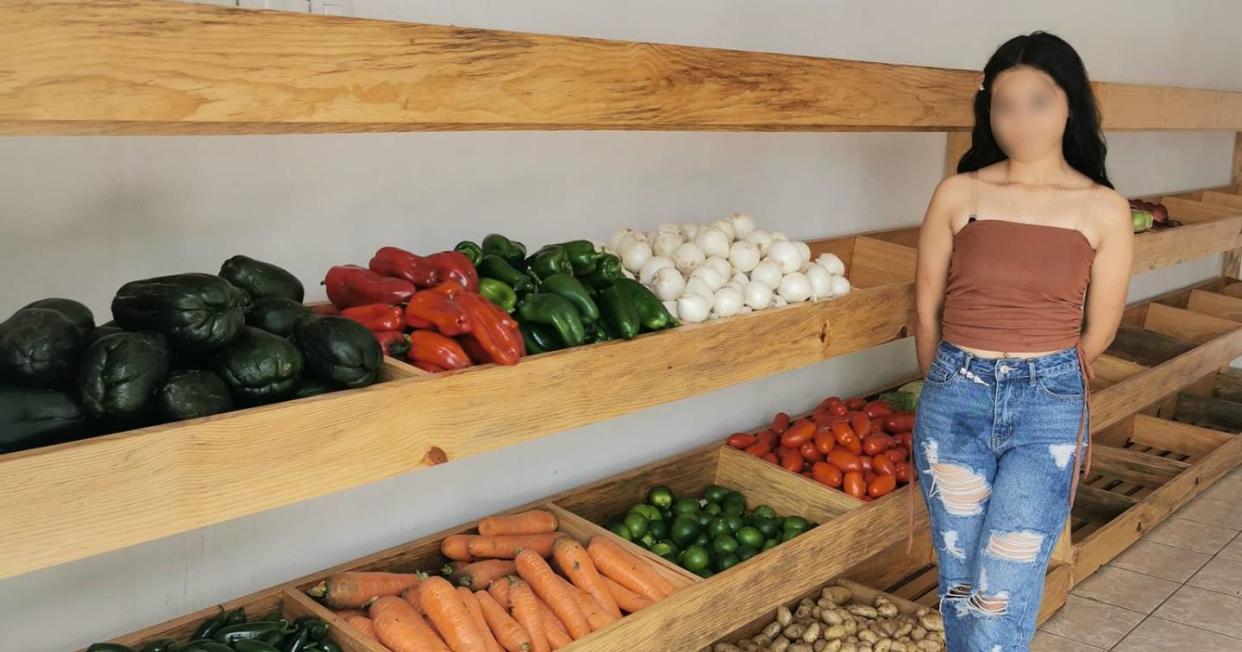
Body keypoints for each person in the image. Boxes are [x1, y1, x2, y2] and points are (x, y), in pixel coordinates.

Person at [909, 31, 1134, 651]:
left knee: (1003, 581)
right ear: (987, 110)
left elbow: (1102, 328)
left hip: (1048, 408)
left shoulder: (1104, 208)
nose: (1020, 121)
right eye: (1004, 105)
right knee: (959, 578)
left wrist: (1044, 373)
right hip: (955, 398)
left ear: (1071, 105)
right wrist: (951, 380)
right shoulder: (960, 194)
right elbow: (926, 309)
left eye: (1039, 101)